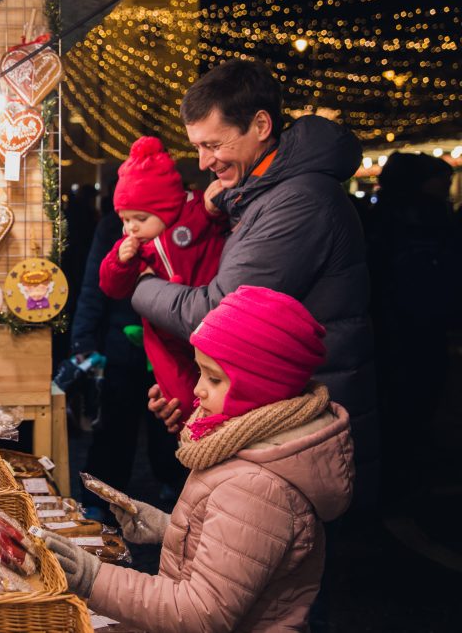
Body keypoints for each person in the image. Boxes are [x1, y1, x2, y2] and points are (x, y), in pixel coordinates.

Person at [130, 59, 377, 509]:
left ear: (261, 125)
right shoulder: (262, 194)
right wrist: (196, 386)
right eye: (198, 147)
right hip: (279, 411)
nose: (204, 162)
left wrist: (140, 285)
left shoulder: (299, 201)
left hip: (307, 421)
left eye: (213, 144)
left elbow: (218, 313)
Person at [46, 286, 355, 631]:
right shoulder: (250, 449)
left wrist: (92, 578)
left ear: (259, 388)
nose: (197, 390)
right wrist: (169, 528)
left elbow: (200, 614)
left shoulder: (258, 487)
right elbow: (239, 550)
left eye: (214, 378)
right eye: (200, 372)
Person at [70, 176, 185, 513]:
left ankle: (176, 491)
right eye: (127, 216)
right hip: (121, 344)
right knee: (113, 429)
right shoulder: (112, 227)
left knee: (171, 425)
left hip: (172, 345)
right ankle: (99, 500)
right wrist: (84, 342)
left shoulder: (180, 226)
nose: (132, 224)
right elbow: (94, 285)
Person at [99, 136, 226, 425]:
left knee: (216, 388)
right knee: (178, 396)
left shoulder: (194, 213)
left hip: (207, 320)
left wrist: (212, 206)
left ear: (165, 208)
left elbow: (216, 222)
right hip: (164, 335)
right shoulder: (135, 247)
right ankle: (191, 434)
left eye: (140, 218)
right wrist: (119, 261)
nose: (131, 227)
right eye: (125, 218)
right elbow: (111, 286)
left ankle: (212, 432)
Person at [365, 152, 460, 494]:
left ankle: (407, 460)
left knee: (413, 391)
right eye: (442, 181)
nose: (447, 188)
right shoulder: (411, 219)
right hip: (404, 320)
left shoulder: (403, 217)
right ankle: (404, 466)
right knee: (410, 391)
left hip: (409, 319)